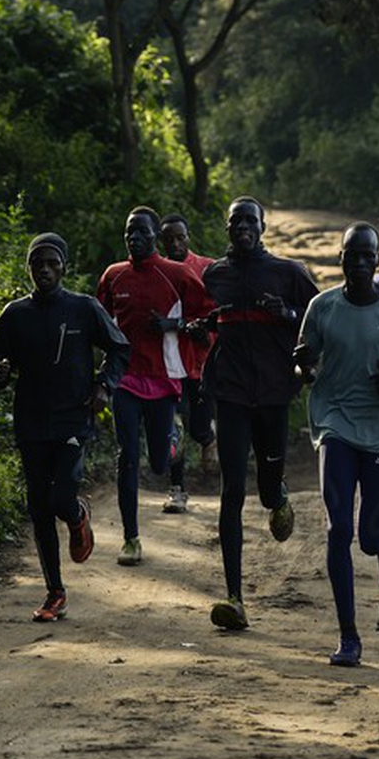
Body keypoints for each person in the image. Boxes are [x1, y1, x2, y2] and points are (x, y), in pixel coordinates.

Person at [295, 222, 379, 666]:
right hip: (334, 422)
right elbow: (307, 363)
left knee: (373, 540)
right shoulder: (322, 307)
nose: (356, 264)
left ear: (377, 263)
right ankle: (348, 637)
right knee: (339, 529)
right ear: (340, 260)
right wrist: (303, 369)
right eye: (349, 256)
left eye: (365, 257)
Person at [0, 233, 128, 622]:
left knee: (60, 497)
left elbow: (119, 348)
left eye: (51, 263)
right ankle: (55, 593)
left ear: (63, 266)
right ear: (28, 268)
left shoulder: (84, 308)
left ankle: (77, 513)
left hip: (72, 417)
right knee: (37, 508)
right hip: (31, 421)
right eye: (36, 264)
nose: (43, 270)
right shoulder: (15, 314)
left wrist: (103, 385)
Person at [195, 196, 321, 631]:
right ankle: (234, 596)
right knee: (232, 490)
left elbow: (320, 318)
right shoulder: (215, 274)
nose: (243, 227)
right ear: (227, 228)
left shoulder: (287, 273)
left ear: (263, 227)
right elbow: (210, 316)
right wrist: (206, 326)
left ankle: (279, 495)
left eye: (250, 220)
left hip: (272, 395)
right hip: (230, 394)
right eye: (236, 221)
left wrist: (286, 313)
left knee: (266, 489)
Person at [95, 206, 211, 566]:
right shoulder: (113, 276)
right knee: (127, 458)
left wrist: (172, 324)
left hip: (164, 379)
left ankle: (173, 442)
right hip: (125, 380)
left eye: (142, 232)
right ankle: (131, 539)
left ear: (154, 236)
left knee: (159, 464)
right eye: (130, 232)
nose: (134, 238)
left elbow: (207, 316)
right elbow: (98, 320)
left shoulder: (176, 274)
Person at [158, 213, 217, 492]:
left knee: (198, 428)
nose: (175, 244)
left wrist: (180, 325)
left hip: (201, 361)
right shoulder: (156, 272)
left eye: (180, 237)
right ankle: (177, 489)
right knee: (175, 430)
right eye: (169, 239)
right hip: (169, 363)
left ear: (188, 237)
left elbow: (214, 316)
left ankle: (208, 438)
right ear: (161, 242)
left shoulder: (206, 268)